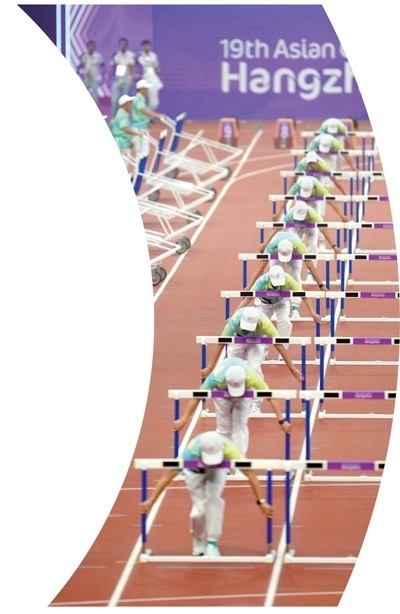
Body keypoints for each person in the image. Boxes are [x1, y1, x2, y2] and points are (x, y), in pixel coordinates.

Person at [139, 430, 274, 557]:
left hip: (217, 470)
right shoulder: (189, 452)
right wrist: (151, 501)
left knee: (213, 500)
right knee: (200, 509)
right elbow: (167, 476)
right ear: (200, 452)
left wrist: (261, 502)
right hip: (194, 472)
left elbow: (250, 474)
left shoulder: (229, 449)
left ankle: (212, 543)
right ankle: (198, 539)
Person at [173, 357, 291, 456]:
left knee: (240, 426)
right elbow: (197, 396)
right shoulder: (216, 377)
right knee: (224, 429)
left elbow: (271, 397)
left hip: (244, 394)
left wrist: (282, 421)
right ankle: (222, 460)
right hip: (222, 394)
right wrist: (183, 420)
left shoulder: (251, 376)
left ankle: (239, 462)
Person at [200, 305, 303, 415]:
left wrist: (292, 369)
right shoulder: (234, 321)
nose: (247, 329)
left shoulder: (265, 323)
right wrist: (210, 367)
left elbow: (279, 345)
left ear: (257, 323)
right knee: (233, 370)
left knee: (254, 368)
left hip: (257, 341)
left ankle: (256, 404)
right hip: (238, 339)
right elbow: (221, 343)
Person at [246, 230, 328, 321]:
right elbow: (260, 267)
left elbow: (311, 266)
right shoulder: (272, 246)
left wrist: (321, 285)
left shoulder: (299, 245)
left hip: (294, 251)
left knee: (295, 275)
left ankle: (295, 308)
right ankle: (275, 305)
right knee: (274, 276)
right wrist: (249, 286)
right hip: (276, 252)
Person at [234, 264, 323, 344]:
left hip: (281, 301)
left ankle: (283, 348)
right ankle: (262, 349)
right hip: (264, 303)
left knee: (284, 321)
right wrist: (234, 316)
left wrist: (313, 313)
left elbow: (304, 296)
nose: (277, 285)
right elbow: (247, 299)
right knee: (260, 325)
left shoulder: (288, 279)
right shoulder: (262, 282)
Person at [263, 200, 342, 280]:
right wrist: (265, 243)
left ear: (306, 213)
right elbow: (278, 227)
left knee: (313, 246)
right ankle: (291, 271)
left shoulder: (313, 214)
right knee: (292, 246)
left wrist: (334, 246)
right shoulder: (291, 213)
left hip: (310, 227)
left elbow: (323, 230)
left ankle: (310, 273)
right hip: (296, 228)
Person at [272, 175, 348, 223]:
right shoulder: (298, 185)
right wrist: (278, 213)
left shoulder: (319, 187)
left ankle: (319, 238)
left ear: (313, 188)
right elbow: (287, 197)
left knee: (318, 218)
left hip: (314, 199)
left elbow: (330, 200)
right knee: (298, 216)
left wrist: (341, 215)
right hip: (301, 198)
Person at [131, 79, 167, 160]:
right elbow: (143, 111)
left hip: (143, 127)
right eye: (146, 88)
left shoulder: (142, 99)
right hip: (139, 129)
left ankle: (141, 167)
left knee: (144, 150)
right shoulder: (138, 99)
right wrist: (158, 116)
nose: (147, 90)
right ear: (142, 89)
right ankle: (138, 168)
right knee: (141, 151)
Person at [108, 94, 145, 161]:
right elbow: (125, 129)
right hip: (120, 144)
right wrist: (138, 134)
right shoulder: (121, 116)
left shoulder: (123, 114)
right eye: (129, 103)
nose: (130, 105)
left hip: (124, 143)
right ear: (125, 104)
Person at [109, 37, 136, 117]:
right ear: (119, 45)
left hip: (127, 80)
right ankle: (114, 119)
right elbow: (112, 67)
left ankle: (125, 118)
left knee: (126, 100)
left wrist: (132, 80)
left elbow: (132, 68)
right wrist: (108, 78)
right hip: (118, 80)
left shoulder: (131, 55)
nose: (122, 46)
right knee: (114, 100)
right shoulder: (116, 55)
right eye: (121, 44)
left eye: (124, 44)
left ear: (126, 45)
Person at [136, 39, 163, 111]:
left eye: (148, 46)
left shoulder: (154, 56)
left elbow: (156, 67)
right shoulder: (139, 56)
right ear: (142, 47)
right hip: (143, 79)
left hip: (153, 78)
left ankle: (151, 114)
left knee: (154, 101)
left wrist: (158, 71)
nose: (146, 47)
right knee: (144, 98)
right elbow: (136, 68)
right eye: (145, 46)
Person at [76, 40, 105, 107]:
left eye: (92, 46)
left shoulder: (98, 56)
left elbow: (103, 66)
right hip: (86, 79)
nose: (91, 48)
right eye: (90, 46)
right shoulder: (84, 56)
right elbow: (80, 65)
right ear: (87, 47)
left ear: (94, 47)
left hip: (94, 79)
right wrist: (77, 72)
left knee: (95, 96)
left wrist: (102, 76)